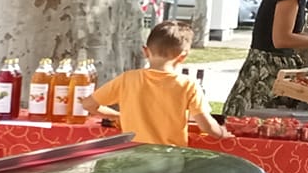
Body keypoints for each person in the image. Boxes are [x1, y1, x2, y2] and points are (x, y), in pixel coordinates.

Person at [95, 21, 231, 146]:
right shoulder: (188, 85)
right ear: (183, 56)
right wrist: (222, 133)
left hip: (132, 154)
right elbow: (206, 125)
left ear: (145, 51)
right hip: (169, 156)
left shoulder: (127, 79)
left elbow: (89, 104)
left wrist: (117, 115)